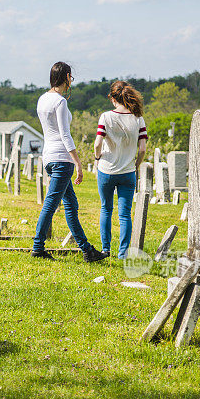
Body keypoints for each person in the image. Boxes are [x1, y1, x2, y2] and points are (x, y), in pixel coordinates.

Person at [32, 62, 106, 262]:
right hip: (62, 158)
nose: (71, 81)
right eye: (70, 77)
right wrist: (78, 163)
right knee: (51, 203)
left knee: (71, 204)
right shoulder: (60, 102)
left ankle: (87, 250)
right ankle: (38, 247)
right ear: (66, 77)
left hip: (48, 156)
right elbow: (65, 135)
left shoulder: (42, 99)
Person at [94, 80, 147, 259]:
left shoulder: (106, 117)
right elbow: (142, 149)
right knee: (124, 214)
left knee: (106, 209)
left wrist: (97, 157)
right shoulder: (138, 118)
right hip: (127, 171)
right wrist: (136, 165)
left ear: (112, 97)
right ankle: (123, 253)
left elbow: (97, 144)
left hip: (107, 169)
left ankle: (105, 248)